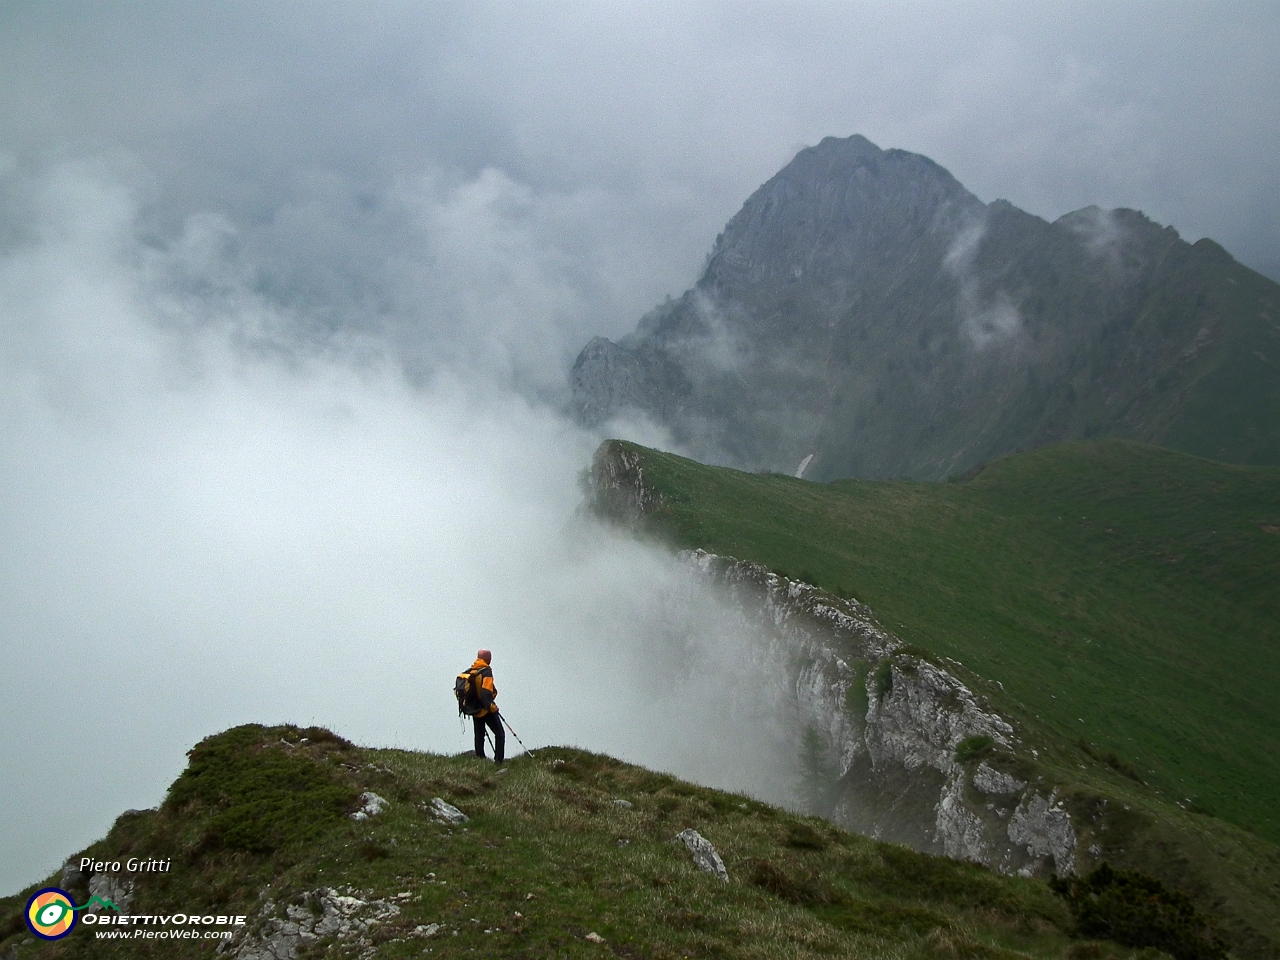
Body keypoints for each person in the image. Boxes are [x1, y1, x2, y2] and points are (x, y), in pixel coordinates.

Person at [468, 648, 505, 764]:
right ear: (487, 659)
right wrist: (492, 707)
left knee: (479, 734)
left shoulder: (472, 671)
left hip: (474, 708)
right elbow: (485, 693)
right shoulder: (486, 672)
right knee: (500, 733)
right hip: (486, 709)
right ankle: (498, 760)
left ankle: (480, 758)